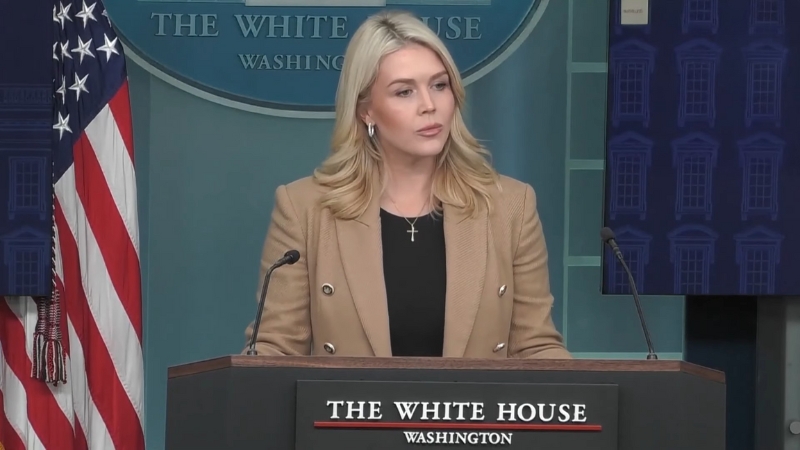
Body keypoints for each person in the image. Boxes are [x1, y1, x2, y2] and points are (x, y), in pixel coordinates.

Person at [243, 10, 571, 359]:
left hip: (475, 412)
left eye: (439, 85)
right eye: (404, 92)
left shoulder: (510, 206)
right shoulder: (304, 207)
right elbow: (274, 350)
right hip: (348, 412)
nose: (429, 106)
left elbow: (536, 346)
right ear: (365, 110)